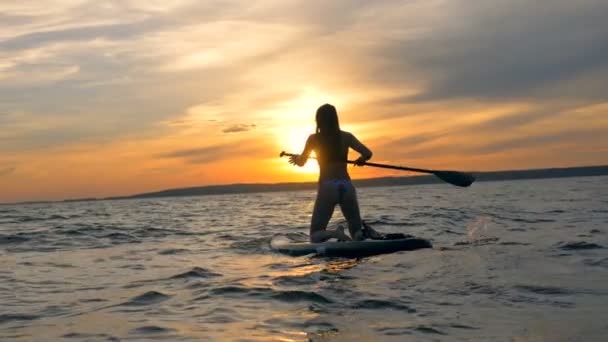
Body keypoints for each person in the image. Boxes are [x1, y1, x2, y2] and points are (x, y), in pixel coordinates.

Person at [288, 104, 373, 243]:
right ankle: (361, 236)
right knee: (356, 230)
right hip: (346, 185)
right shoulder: (347, 136)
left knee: (315, 235)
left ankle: (336, 234)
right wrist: (361, 160)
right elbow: (368, 153)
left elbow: (302, 162)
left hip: (328, 187)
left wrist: (296, 158)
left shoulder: (313, 139)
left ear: (319, 120)